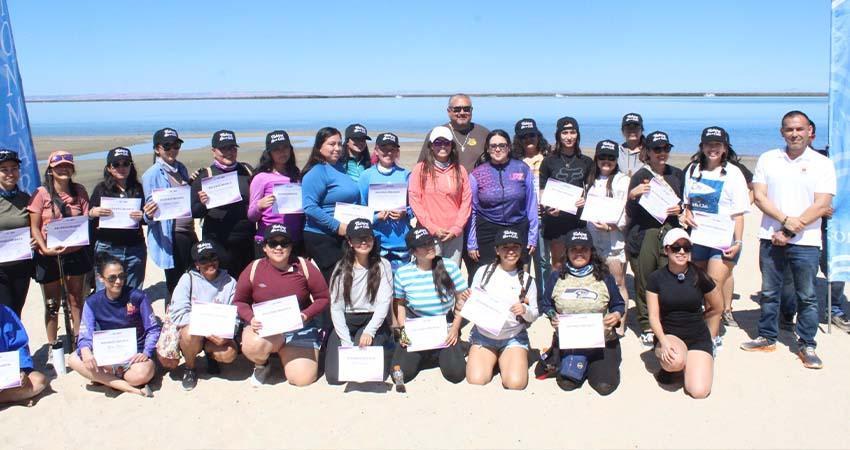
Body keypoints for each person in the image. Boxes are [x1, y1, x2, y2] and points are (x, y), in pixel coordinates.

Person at [741, 111, 835, 369]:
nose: (795, 134)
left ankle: (807, 343)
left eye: (799, 129)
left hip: (806, 241)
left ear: (810, 132)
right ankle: (767, 336)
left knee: (806, 295)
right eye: (789, 129)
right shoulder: (769, 158)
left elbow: (822, 203)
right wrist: (785, 220)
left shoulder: (822, 163)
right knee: (770, 292)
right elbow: (759, 196)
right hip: (770, 237)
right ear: (782, 132)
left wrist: (793, 228)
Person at [235, 224, 330, 386]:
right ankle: (262, 365)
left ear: (291, 246)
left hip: (300, 328)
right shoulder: (254, 268)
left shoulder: (305, 267)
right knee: (253, 345)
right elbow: (239, 301)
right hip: (266, 328)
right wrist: (251, 319)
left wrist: (305, 314)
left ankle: (288, 352)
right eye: (273, 243)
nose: (279, 247)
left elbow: (323, 298)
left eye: (284, 243)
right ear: (265, 247)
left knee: (302, 379)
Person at [538, 229, 624, 395]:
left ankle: (599, 364)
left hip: (602, 341)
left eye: (583, 249)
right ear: (567, 252)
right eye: (574, 249)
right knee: (567, 383)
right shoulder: (556, 276)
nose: (579, 253)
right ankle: (578, 363)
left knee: (604, 386)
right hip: (571, 342)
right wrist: (551, 316)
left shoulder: (604, 276)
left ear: (591, 251)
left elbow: (618, 304)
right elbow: (545, 303)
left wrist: (616, 315)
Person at [679, 127, 749, 333]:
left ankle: (712, 334)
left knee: (713, 285)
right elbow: (688, 203)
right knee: (698, 284)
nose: (713, 149)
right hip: (699, 238)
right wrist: (687, 213)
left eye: (717, 145)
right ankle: (700, 327)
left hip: (723, 240)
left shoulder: (734, 173)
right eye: (708, 144)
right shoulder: (693, 169)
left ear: (725, 148)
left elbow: (739, 214)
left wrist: (738, 242)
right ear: (702, 147)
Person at [68, 254, 160, 397]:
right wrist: (86, 350)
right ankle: (131, 389)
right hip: (107, 355)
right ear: (101, 279)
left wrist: (146, 352)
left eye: (122, 276)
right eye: (112, 278)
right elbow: (85, 332)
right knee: (73, 359)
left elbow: (153, 329)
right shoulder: (92, 302)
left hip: (135, 356)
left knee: (140, 375)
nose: (118, 281)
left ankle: (106, 380)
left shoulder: (138, 297)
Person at [624, 131, 684, 348]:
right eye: (656, 149)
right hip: (644, 232)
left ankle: (666, 320)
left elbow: (686, 203)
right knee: (645, 279)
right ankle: (646, 323)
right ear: (647, 152)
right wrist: (633, 195)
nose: (661, 153)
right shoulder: (640, 176)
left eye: (665, 149)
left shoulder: (677, 174)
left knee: (670, 276)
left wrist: (681, 209)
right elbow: (630, 211)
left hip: (670, 230)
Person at [647, 228, 722, 399]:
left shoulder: (699, 275)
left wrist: (709, 332)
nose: (681, 251)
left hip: (697, 336)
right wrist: (663, 341)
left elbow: (718, 307)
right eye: (676, 247)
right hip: (670, 335)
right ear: (666, 250)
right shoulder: (656, 278)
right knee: (675, 360)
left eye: (686, 247)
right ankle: (674, 366)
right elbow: (653, 316)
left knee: (699, 392)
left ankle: (693, 363)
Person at [28, 151, 92, 347]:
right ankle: (52, 344)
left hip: (74, 254)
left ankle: (78, 341)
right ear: (50, 170)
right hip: (48, 256)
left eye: (67, 166)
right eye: (59, 167)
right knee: (52, 303)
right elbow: (34, 227)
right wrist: (44, 248)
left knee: (75, 299)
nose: (64, 169)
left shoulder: (79, 190)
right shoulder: (40, 193)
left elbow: (86, 216)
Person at [391, 226, 468, 384]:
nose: (430, 247)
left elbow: (462, 301)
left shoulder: (449, 266)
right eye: (423, 245)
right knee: (399, 376)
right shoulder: (403, 273)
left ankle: (440, 353)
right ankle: (429, 354)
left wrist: (454, 329)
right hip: (416, 328)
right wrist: (402, 332)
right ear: (413, 252)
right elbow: (400, 305)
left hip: (445, 327)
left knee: (456, 375)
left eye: (431, 242)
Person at [465, 227, 538, 390]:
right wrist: (467, 300)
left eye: (515, 247)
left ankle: (510, 357)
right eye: (505, 247)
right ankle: (496, 359)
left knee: (515, 383)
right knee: (477, 379)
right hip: (484, 335)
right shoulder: (482, 273)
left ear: (521, 249)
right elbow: (473, 304)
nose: (511, 251)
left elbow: (535, 314)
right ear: (497, 250)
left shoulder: (527, 280)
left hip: (513, 336)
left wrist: (525, 310)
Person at [325, 219, 393, 384]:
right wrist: (345, 342)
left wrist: (369, 331)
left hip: (372, 319)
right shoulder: (340, 268)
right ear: (349, 242)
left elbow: (384, 302)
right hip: (348, 319)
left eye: (367, 238)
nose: (364, 242)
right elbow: (336, 307)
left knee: (368, 373)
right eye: (358, 238)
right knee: (335, 377)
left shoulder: (383, 265)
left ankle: (386, 346)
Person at [165, 241, 238, 391]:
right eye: (203, 260)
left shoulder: (230, 282)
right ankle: (190, 368)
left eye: (213, 258)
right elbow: (178, 314)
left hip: (217, 332)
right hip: (194, 331)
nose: (210, 263)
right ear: (197, 264)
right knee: (188, 333)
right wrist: (204, 327)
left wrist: (230, 333)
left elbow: (235, 315)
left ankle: (211, 358)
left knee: (229, 354)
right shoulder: (187, 279)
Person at [467, 129, 537, 277]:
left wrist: (533, 236)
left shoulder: (522, 169)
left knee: (518, 274)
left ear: (509, 147)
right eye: (493, 146)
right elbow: (472, 209)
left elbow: (531, 204)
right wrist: (472, 242)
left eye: (502, 145)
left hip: (518, 226)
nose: (497, 149)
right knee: (488, 274)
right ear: (487, 149)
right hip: (487, 229)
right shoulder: (477, 174)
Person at [191, 130, 256, 279]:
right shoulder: (205, 175)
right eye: (224, 149)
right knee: (222, 282)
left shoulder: (247, 170)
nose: (229, 152)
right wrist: (202, 204)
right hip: (218, 242)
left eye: (232, 148)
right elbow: (194, 212)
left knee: (247, 281)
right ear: (214, 151)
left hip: (247, 240)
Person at [142, 128, 197, 303]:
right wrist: (148, 214)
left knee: (191, 280)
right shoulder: (151, 174)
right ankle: (171, 327)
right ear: (157, 149)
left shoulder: (181, 168)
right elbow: (149, 215)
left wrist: (191, 184)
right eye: (167, 146)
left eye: (176, 145)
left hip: (189, 232)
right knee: (176, 285)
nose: (172, 149)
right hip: (172, 236)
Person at [301, 127, 361, 282]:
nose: (337, 148)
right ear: (319, 146)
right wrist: (336, 226)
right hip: (322, 237)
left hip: (343, 234)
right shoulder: (317, 171)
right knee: (335, 283)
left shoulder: (340, 168)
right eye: (331, 144)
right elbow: (309, 207)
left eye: (340, 144)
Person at [584, 140, 630, 335]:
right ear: (597, 158)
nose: (607, 161)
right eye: (603, 157)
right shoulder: (589, 179)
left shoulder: (623, 181)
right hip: (592, 239)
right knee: (595, 281)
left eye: (611, 158)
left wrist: (613, 225)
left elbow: (628, 211)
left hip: (614, 240)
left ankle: (620, 325)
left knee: (618, 282)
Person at [408, 126, 472, 265]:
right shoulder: (420, 169)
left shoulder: (460, 170)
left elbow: (466, 202)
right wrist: (432, 228)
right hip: (429, 234)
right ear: (431, 146)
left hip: (454, 235)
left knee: (451, 276)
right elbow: (415, 200)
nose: (442, 146)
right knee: (429, 274)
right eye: (438, 143)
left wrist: (456, 228)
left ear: (451, 145)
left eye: (446, 142)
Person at [539, 116, 594, 274]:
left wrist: (586, 200)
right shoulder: (549, 161)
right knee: (558, 264)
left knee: (581, 261)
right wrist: (548, 207)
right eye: (564, 133)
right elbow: (543, 189)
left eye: (572, 132)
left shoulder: (586, 161)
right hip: (556, 221)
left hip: (578, 221)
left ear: (577, 135)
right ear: (558, 135)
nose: (569, 137)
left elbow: (591, 190)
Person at [88, 147, 147, 291]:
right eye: (116, 164)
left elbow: (148, 217)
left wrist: (143, 215)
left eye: (125, 163)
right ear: (109, 168)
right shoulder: (101, 189)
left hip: (135, 249)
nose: (121, 168)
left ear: (131, 166)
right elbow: (88, 217)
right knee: (106, 294)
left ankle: (131, 315)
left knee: (133, 294)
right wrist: (93, 212)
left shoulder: (138, 189)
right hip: (108, 248)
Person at [357, 132, 413, 271]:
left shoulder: (406, 175)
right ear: (376, 150)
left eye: (392, 149)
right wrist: (376, 217)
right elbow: (360, 208)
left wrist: (404, 213)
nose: (388, 152)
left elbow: (414, 207)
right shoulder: (366, 176)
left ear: (397, 151)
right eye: (384, 148)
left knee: (399, 288)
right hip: (375, 242)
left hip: (401, 242)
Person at [248, 130, 305, 258]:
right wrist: (259, 205)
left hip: (293, 239)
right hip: (269, 241)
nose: (282, 152)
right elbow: (251, 216)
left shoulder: (297, 175)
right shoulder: (261, 178)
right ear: (269, 153)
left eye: (285, 147)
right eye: (276, 149)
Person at [513, 119, 551, 304]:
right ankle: (524, 295)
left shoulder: (548, 157)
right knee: (522, 259)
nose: (529, 139)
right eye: (524, 136)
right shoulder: (513, 160)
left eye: (532, 135)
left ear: (538, 136)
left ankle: (544, 298)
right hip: (521, 218)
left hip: (543, 217)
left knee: (543, 260)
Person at [418, 94, 490, 172]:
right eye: (457, 109)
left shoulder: (483, 133)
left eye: (466, 109)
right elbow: (422, 166)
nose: (462, 113)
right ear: (449, 111)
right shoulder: (437, 133)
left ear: (471, 110)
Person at [0, 150, 34, 317]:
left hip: (21, 266)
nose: (10, 173)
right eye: (4, 169)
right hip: (1, 269)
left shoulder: (24, 198)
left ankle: (16, 343)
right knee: (6, 313)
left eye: (14, 168)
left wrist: (33, 240)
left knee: (16, 311)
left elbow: (34, 227)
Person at [0, 304, 47, 405]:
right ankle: (12, 398)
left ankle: (6, 398)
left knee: (38, 381)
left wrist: (21, 368)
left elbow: (18, 345)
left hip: (3, 372)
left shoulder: (5, 312)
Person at [619, 113, 646, 177]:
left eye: (636, 127)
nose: (632, 131)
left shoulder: (650, 151)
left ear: (642, 130)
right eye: (628, 128)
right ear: (622, 131)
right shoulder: (618, 150)